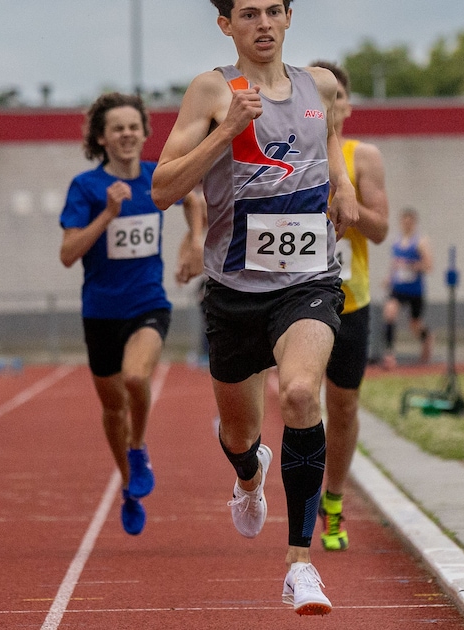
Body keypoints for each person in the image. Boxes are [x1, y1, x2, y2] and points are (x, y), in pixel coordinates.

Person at [151, 0, 359, 616]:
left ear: (290, 18)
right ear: (227, 25)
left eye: (273, 11)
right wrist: (224, 131)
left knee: (298, 393)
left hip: (308, 281)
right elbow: (163, 188)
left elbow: (331, 136)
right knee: (240, 432)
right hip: (235, 291)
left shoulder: (316, 86)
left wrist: (342, 187)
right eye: (248, 14)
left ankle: (300, 565)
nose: (262, 24)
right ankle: (249, 473)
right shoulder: (212, 91)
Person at [59, 92, 206, 537]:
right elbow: (68, 254)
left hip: (147, 303)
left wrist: (194, 242)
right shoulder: (85, 187)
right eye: (116, 128)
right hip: (101, 311)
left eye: (133, 126)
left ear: (144, 133)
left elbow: (195, 199)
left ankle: (138, 449)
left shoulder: (155, 178)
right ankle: (127, 481)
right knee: (111, 408)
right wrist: (108, 213)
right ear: (102, 138)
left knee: (136, 380)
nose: (126, 134)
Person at [309, 60, 389, 552]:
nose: (329, 105)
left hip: (349, 297)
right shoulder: (288, 152)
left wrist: (351, 207)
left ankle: (333, 500)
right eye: (319, 96)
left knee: (343, 405)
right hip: (292, 293)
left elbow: (379, 230)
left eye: (336, 96)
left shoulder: (365, 156)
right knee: (295, 397)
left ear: (348, 106)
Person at [382, 207, 433, 368]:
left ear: (414, 223)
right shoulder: (397, 241)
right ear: (401, 223)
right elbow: (395, 264)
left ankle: (427, 337)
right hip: (398, 289)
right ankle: (390, 354)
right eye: (404, 221)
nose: (407, 224)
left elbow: (428, 266)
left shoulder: (420, 242)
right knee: (389, 313)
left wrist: (411, 265)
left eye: (410, 222)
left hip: (415, 290)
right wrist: (389, 278)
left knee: (415, 325)